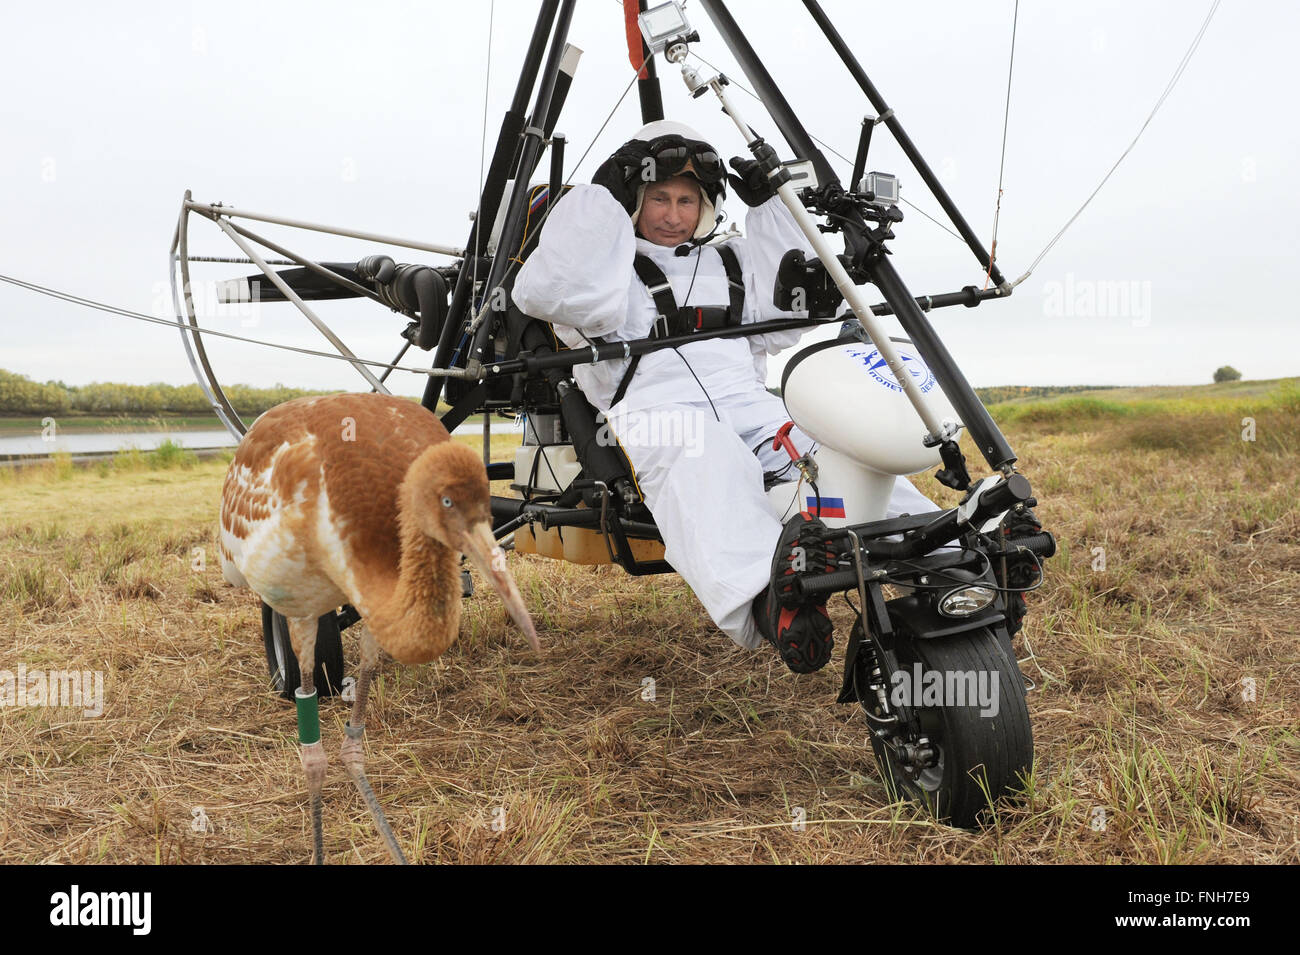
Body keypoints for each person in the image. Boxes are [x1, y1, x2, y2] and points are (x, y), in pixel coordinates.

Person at [511, 120, 941, 673]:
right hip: (654, 408)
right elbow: (552, 293)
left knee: (828, 449)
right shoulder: (604, 267)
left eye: (687, 200)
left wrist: (773, 212)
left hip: (749, 402)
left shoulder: (731, 258)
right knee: (704, 454)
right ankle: (774, 599)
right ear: (632, 201)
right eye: (657, 197)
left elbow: (787, 319)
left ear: (707, 203)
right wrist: (600, 204)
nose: (672, 214)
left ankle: (940, 558)